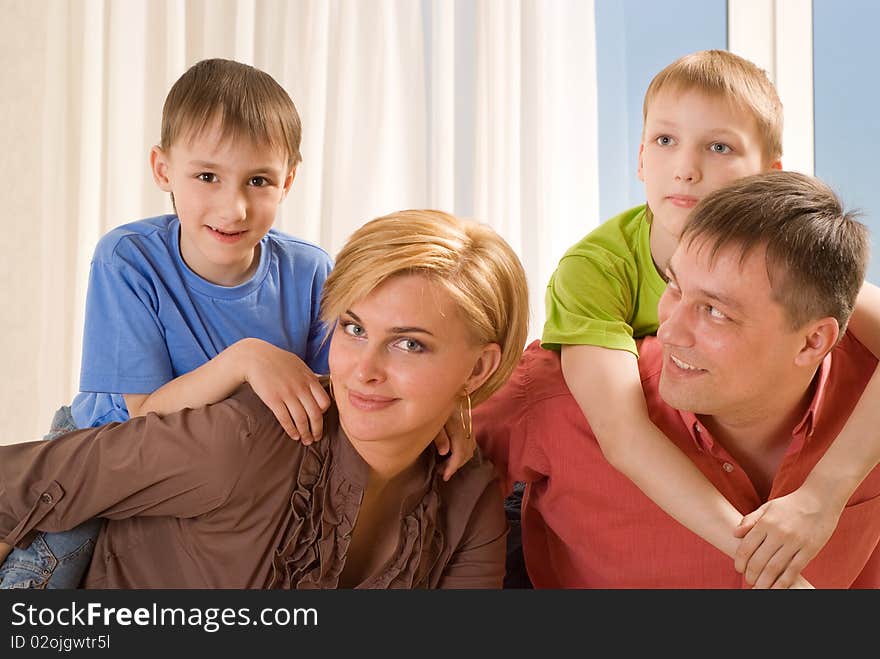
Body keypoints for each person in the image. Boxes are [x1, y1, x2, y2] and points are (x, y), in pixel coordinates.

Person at [0, 59, 471, 589]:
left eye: (258, 181)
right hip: (106, 446)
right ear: (162, 170)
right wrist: (245, 359)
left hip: (229, 476)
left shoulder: (311, 270)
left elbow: (344, 388)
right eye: (207, 177)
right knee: (38, 581)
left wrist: (436, 411)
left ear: (288, 181)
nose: (235, 206)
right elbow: (145, 418)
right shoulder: (127, 259)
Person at [0, 209, 530, 589]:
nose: (363, 371)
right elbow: (17, 486)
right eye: (352, 329)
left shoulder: (467, 498)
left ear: (478, 368)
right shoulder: (240, 440)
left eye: (409, 344)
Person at [542, 49, 880, 588]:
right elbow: (623, 433)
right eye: (664, 140)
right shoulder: (595, 269)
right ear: (639, 159)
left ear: (770, 177)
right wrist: (773, 568)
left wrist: (823, 495)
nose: (686, 168)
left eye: (718, 146)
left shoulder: (788, 262)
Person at [477, 171, 880, 588]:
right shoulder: (559, 395)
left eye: (715, 312)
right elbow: (423, 486)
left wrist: (827, 491)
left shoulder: (866, 400)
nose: (668, 331)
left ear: (813, 341)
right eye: (673, 286)